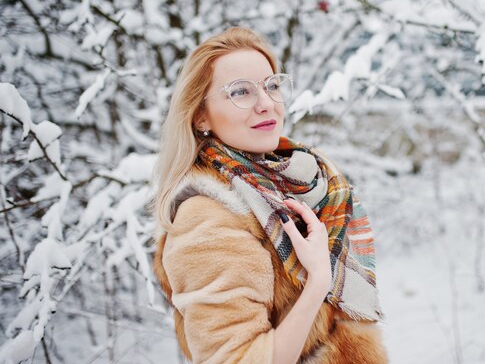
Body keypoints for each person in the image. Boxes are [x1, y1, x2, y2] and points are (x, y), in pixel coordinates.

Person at [151, 27, 388, 364]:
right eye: (241, 92)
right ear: (201, 115)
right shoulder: (207, 220)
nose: (266, 104)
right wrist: (318, 280)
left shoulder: (295, 184)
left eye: (272, 86)